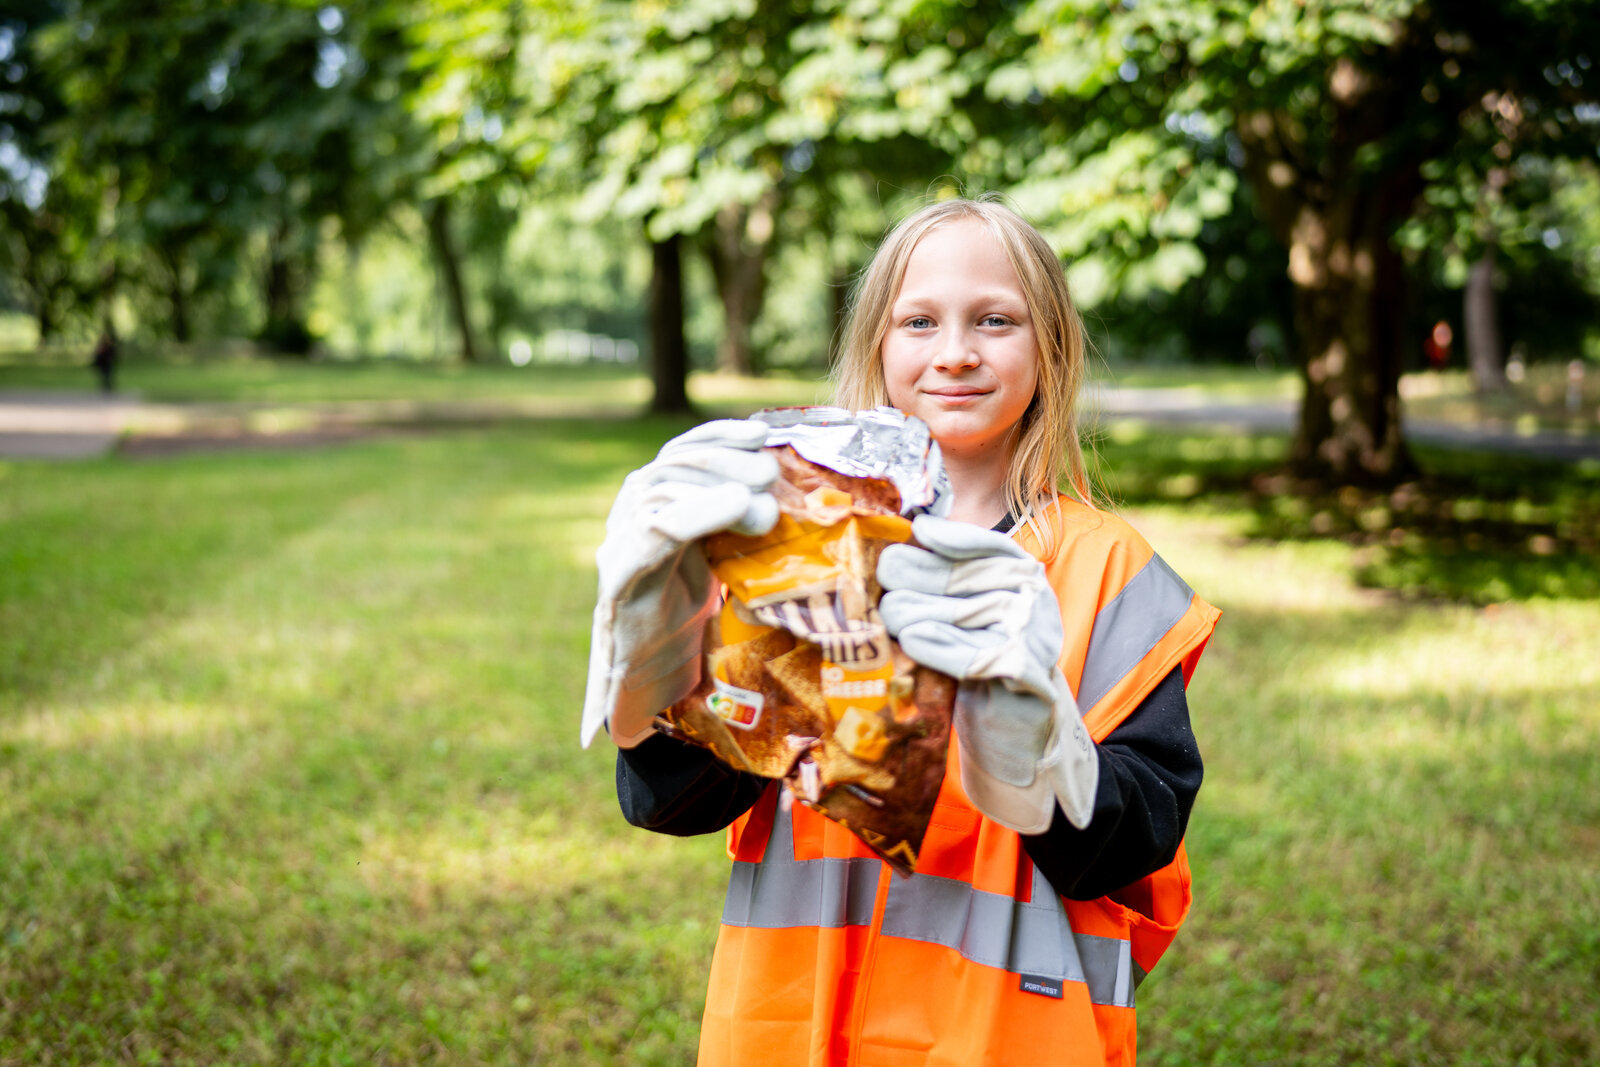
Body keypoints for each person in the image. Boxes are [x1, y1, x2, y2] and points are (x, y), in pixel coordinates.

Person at [583, 196, 1220, 1066]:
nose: (955, 350)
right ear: (876, 346)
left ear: (1052, 348)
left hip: (1014, 1035)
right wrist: (660, 680)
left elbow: (1138, 841)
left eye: (995, 319)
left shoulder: (1108, 569)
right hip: (800, 1025)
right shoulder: (794, 539)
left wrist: (1038, 751)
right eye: (918, 320)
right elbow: (670, 801)